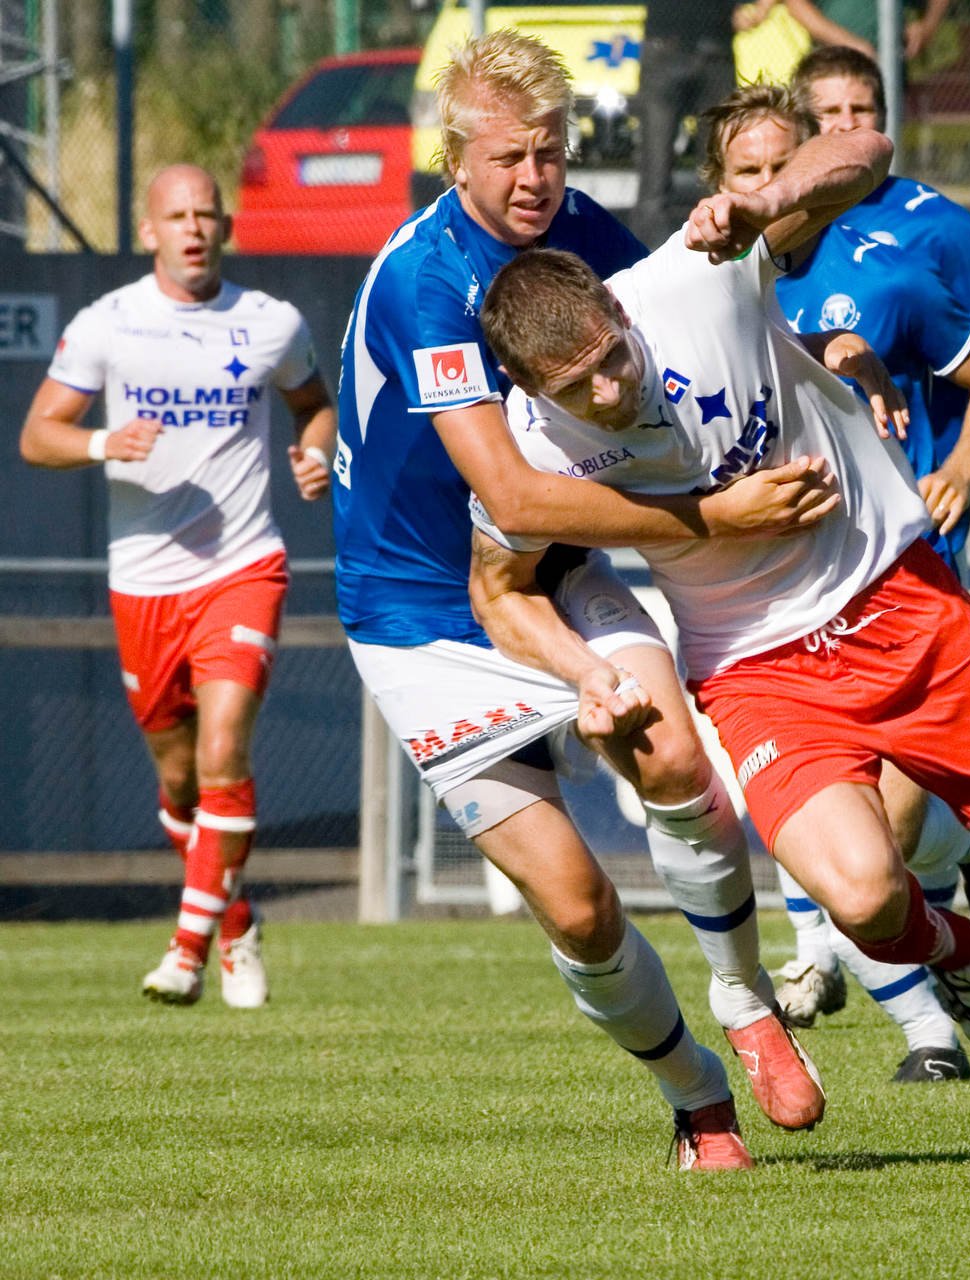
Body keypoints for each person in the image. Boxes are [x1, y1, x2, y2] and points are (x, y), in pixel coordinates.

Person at [473, 145, 970, 1161]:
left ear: (619, 309)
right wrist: (587, 670)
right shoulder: (528, 443)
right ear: (533, 388)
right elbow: (497, 586)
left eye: (613, 354)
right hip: (757, 667)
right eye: (578, 386)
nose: (612, 387)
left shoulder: (691, 273)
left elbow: (867, 155)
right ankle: (957, 952)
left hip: (900, 600)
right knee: (859, 896)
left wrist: (769, 197)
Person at [333, 30, 841, 1167]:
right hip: (421, 617)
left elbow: (698, 331)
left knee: (672, 760)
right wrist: (718, 517)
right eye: (510, 156)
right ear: (452, 158)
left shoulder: (583, 237)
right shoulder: (427, 282)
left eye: (552, 152)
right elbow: (510, 486)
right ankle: (696, 1098)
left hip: (547, 575)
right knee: (576, 907)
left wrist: (822, 378)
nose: (534, 178)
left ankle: (747, 999)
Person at [699, 82, 970, 1082]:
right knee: (844, 847)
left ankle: (959, 863)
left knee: (892, 834)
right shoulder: (690, 290)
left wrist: (956, 465)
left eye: (779, 168)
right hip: (763, 609)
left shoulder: (893, 258)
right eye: (743, 174)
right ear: (719, 185)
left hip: (891, 571)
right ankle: (929, 1021)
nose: (768, 190)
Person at [19, 164, 336, 1009]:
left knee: (225, 744)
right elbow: (38, 436)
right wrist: (99, 445)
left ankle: (188, 950)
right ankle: (236, 924)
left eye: (206, 214)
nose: (193, 229)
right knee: (180, 782)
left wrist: (313, 452)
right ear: (150, 229)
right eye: (177, 216)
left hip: (243, 567)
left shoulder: (270, 323)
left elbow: (314, 402)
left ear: (226, 227)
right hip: (144, 585)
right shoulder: (108, 324)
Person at [782, 45, 970, 1025]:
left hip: (904, 536)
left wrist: (960, 467)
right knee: (826, 769)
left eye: (863, 108)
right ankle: (837, 946)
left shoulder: (928, 231)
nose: (849, 127)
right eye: (828, 112)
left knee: (890, 790)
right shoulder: (759, 253)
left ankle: (962, 852)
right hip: (790, 550)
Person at [631, 0, 739, 246]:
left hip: (715, 48)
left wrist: (763, 7)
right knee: (655, 173)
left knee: (717, 169)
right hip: (667, 45)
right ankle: (646, 257)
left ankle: (718, 250)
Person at [743, 0, 950, 61]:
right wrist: (852, 44)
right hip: (834, 62)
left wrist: (927, 27)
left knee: (884, 141)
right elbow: (796, 5)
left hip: (892, 64)